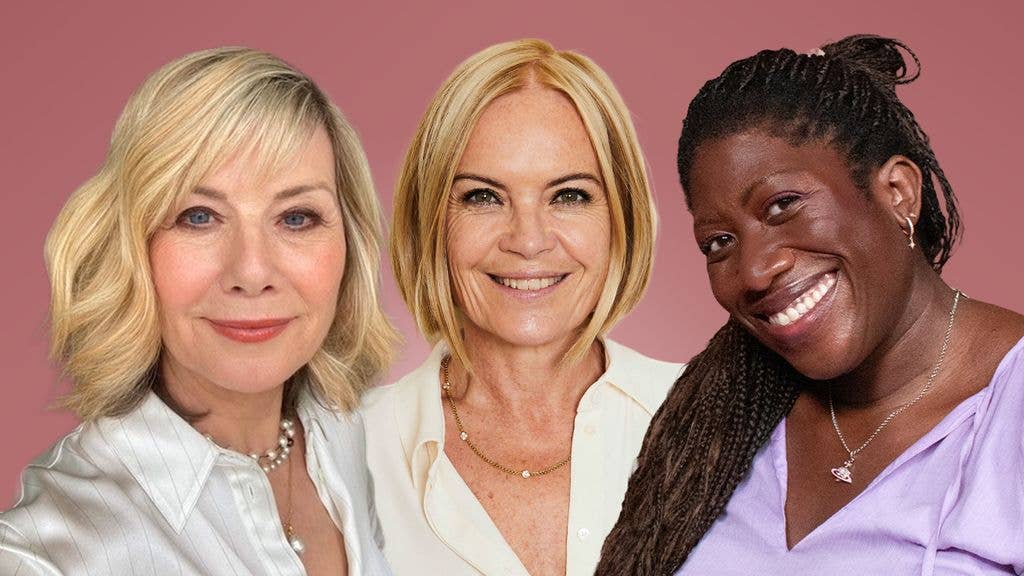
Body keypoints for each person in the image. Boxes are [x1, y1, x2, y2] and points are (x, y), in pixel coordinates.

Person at [597, 34, 1024, 575]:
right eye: (719, 242)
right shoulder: (721, 419)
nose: (755, 271)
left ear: (898, 192)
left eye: (783, 206)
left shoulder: (1007, 408)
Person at [0, 47, 397, 575]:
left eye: (296, 217)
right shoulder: (46, 556)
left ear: (350, 243)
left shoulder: (346, 433)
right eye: (199, 217)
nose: (251, 272)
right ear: (131, 248)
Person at [361, 39, 683, 576]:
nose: (528, 241)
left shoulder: (717, 422)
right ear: (431, 221)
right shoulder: (341, 455)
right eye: (483, 196)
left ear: (620, 218)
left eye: (569, 195)